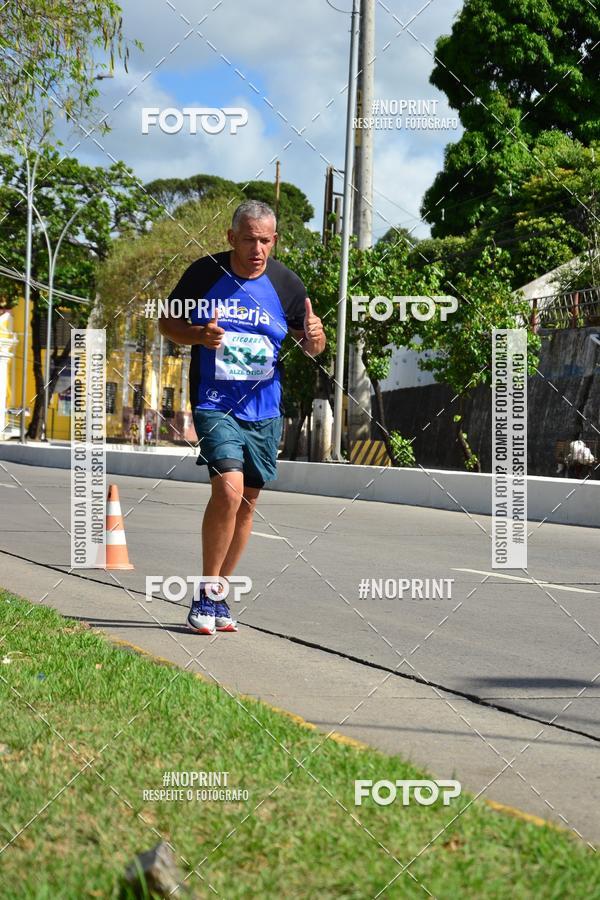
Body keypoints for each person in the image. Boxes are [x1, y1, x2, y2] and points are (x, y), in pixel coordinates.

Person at [160, 200, 326, 634]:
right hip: (215, 402)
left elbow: (310, 347)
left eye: (265, 240)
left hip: (266, 409)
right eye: (249, 238)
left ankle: (218, 598)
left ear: (274, 240)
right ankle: (203, 594)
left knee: (248, 502)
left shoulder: (287, 284)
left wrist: (315, 338)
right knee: (229, 491)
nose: (258, 248)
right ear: (231, 237)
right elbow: (167, 325)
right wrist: (199, 334)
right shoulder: (204, 274)